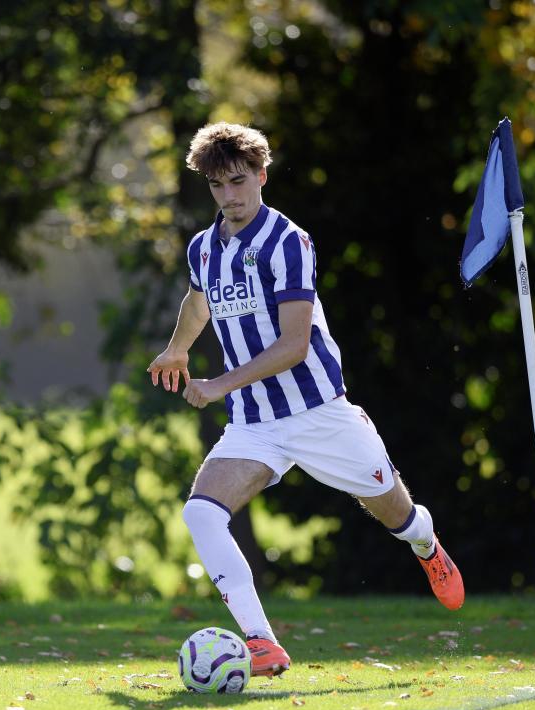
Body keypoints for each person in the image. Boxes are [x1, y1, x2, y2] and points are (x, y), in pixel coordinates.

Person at [148, 122, 464, 677]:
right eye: (218, 186)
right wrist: (177, 350)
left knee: (397, 512)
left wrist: (219, 383)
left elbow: (295, 345)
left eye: (240, 182)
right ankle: (261, 642)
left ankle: (426, 544)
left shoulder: (288, 241)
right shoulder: (204, 247)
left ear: (262, 176)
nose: (231, 196)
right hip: (255, 423)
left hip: (319, 412)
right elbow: (199, 304)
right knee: (201, 513)